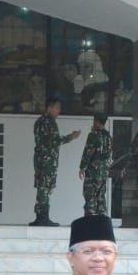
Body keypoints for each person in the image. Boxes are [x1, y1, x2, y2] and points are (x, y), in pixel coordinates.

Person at [31, 97, 81, 227]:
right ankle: (43, 218)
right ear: (49, 107)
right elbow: (54, 141)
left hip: (41, 159)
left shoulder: (40, 121)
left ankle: (40, 216)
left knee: (42, 187)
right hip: (47, 161)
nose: (59, 111)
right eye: (57, 108)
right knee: (45, 188)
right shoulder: (49, 122)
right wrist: (71, 137)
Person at [80, 113, 112, 217]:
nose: (93, 123)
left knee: (90, 195)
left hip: (93, 171)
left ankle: (89, 221)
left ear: (98, 122)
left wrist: (82, 167)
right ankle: (102, 220)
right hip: (103, 172)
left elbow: (88, 152)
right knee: (101, 196)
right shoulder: (108, 137)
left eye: (94, 121)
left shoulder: (93, 135)